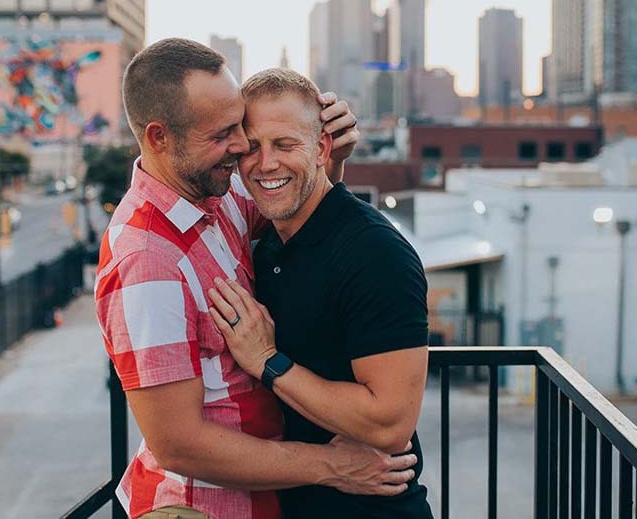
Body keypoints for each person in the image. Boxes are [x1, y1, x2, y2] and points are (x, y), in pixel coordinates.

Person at [94, 39, 418, 519]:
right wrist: (331, 465)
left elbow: (297, 210)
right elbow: (179, 445)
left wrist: (323, 153)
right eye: (223, 133)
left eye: (238, 125)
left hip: (267, 499)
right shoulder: (146, 259)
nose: (242, 147)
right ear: (160, 138)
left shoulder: (215, 195)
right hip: (200, 508)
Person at [207, 68, 433, 518]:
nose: (265, 163)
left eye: (286, 144)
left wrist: (268, 362)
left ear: (321, 148)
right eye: (251, 147)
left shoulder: (374, 252)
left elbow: (390, 422)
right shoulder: (272, 240)